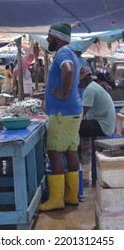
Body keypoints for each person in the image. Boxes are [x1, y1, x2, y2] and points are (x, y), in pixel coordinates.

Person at [39, 22, 83, 211]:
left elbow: (69, 70)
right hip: (73, 112)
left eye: (49, 36)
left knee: (55, 153)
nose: (48, 39)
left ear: (56, 38)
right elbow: (80, 73)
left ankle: (56, 199)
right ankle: (71, 196)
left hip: (62, 114)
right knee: (71, 151)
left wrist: (64, 93)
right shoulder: (73, 53)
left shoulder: (64, 53)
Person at [79, 66, 116, 139]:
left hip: (103, 126)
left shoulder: (90, 88)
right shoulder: (93, 86)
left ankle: (75, 149)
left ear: (84, 80)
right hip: (105, 125)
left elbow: (82, 112)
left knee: (73, 127)